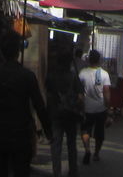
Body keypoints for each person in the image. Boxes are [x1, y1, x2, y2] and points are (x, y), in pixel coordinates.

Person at [0, 30, 51, 177]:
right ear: (18, 51)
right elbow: (39, 105)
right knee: (22, 171)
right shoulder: (28, 77)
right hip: (21, 134)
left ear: (1, 52)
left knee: (0, 172)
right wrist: (48, 131)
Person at [45, 46, 83, 177]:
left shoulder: (51, 76)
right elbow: (80, 97)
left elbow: (48, 96)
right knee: (71, 144)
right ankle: (73, 171)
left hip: (55, 113)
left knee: (56, 145)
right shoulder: (73, 76)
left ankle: (57, 172)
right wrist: (75, 106)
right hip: (70, 114)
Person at [78, 49, 110, 163]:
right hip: (101, 108)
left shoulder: (82, 73)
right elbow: (106, 93)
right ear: (99, 60)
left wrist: (80, 107)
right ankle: (96, 153)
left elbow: (80, 93)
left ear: (89, 59)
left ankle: (87, 149)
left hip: (87, 108)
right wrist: (108, 108)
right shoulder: (105, 74)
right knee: (99, 132)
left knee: (85, 130)